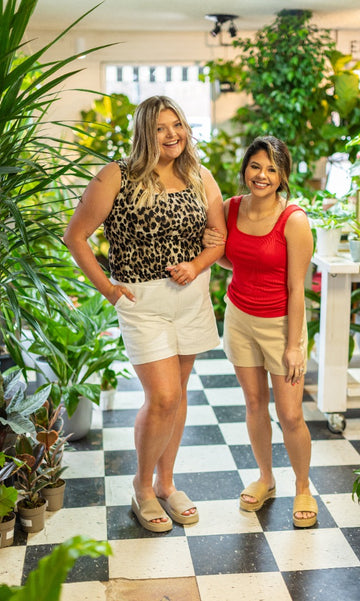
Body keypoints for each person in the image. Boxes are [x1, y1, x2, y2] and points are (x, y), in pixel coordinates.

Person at [63, 95, 226, 533]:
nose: (172, 134)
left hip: (191, 297)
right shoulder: (116, 176)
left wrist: (196, 264)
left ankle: (166, 483)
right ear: (144, 133)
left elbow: (219, 238)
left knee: (179, 395)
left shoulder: (199, 175)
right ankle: (142, 486)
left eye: (177, 124)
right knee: (163, 397)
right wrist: (109, 291)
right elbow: (75, 236)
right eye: (160, 127)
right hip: (142, 302)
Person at [203, 136, 317, 527]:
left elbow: (297, 289)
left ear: (283, 176)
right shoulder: (230, 208)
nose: (262, 175)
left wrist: (294, 346)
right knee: (254, 404)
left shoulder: (294, 220)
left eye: (271, 169)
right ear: (245, 168)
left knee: (290, 414)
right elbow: (230, 259)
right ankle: (266, 478)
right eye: (255, 166)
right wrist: (214, 247)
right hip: (239, 319)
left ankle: (302, 486)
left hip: (281, 324)